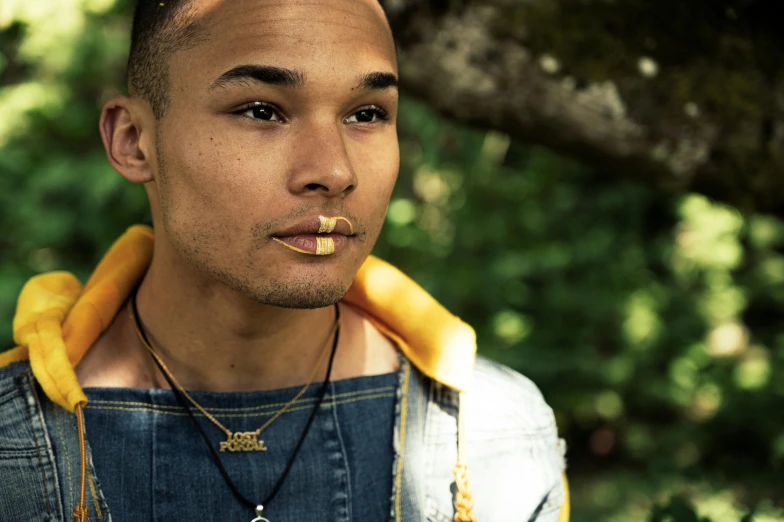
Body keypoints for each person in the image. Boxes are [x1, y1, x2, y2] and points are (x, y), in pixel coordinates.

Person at [0, 0, 568, 520]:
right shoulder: (13, 447)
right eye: (261, 110)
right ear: (133, 140)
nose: (335, 171)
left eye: (366, 114)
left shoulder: (495, 438)